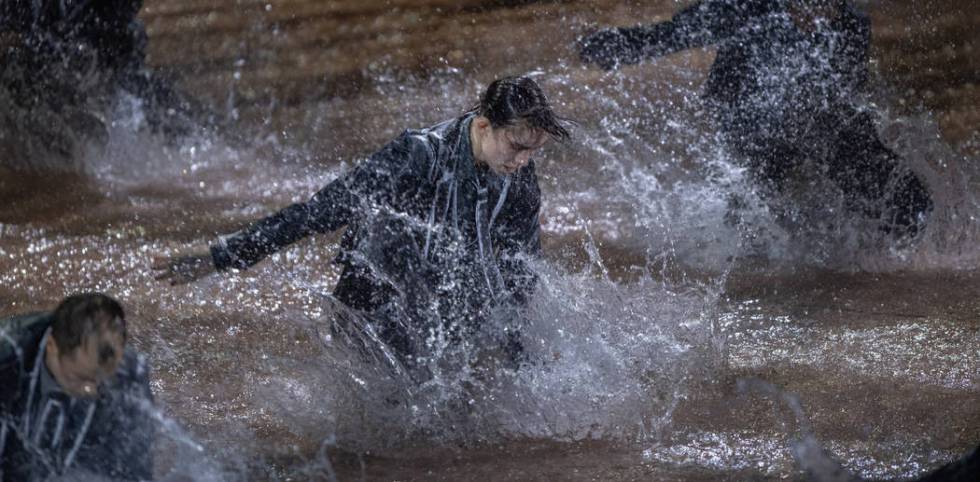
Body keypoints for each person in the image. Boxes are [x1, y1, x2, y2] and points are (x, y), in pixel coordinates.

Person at [153, 75, 570, 372]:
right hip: (371, 302)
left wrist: (520, 358)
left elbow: (520, 274)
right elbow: (318, 212)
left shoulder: (518, 179)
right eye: (517, 147)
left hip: (436, 298)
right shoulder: (416, 156)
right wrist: (223, 255)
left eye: (533, 152)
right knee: (409, 417)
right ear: (483, 125)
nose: (522, 162)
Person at [579, 0, 932, 241]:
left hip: (814, 122)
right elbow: (676, 33)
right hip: (749, 125)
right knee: (750, 221)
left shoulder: (851, 24)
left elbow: (845, 96)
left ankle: (907, 241)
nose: (818, 12)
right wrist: (618, 46)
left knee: (891, 185)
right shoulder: (747, 6)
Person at [0, 293, 155, 481]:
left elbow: (135, 470)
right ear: (51, 347)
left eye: (102, 381)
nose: (91, 391)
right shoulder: (7, 357)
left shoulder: (130, 374)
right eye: (80, 378)